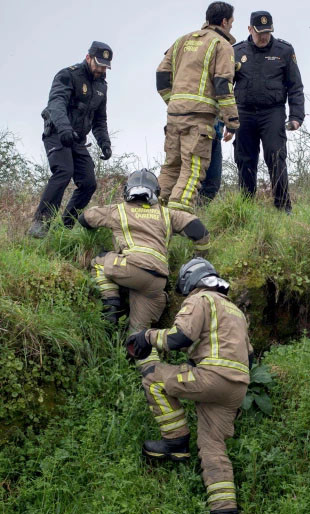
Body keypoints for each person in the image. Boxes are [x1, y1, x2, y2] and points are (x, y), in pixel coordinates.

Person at [126, 258, 253, 514]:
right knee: (212, 446)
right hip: (236, 387)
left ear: (191, 280)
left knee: (153, 378)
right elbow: (248, 358)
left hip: (211, 378)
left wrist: (146, 337)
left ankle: (175, 442)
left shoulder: (201, 299)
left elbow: (178, 338)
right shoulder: (236, 312)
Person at [78, 169, 210, 337]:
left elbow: (85, 219)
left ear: (128, 190)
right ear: (156, 192)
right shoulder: (167, 213)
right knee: (138, 339)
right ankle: (142, 360)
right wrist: (200, 258)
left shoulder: (117, 210)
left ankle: (110, 308)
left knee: (99, 262)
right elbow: (200, 231)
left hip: (130, 268)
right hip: (157, 282)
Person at [156, 2, 240, 213]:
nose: (231, 26)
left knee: (171, 168)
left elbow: (161, 76)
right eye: (231, 22)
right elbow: (223, 85)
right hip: (199, 120)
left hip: (174, 116)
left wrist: (173, 101)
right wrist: (232, 121)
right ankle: (178, 220)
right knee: (192, 171)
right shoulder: (222, 45)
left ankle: (151, 215)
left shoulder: (181, 41)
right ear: (224, 21)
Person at [28, 42, 114, 238]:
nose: (101, 69)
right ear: (88, 58)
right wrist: (64, 129)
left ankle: (64, 228)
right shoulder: (68, 75)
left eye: (105, 66)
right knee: (64, 171)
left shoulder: (102, 86)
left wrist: (105, 143)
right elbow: (56, 103)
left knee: (89, 182)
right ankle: (40, 225)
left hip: (77, 139)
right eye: (99, 64)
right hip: (57, 133)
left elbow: (100, 119)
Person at [232, 11, 304, 212]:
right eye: (259, 32)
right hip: (244, 113)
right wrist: (227, 120)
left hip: (272, 113)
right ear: (249, 30)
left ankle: (283, 208)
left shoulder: (284, 50)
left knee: (276, 156)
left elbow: (295, 86)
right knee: (245, 160)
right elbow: (226, 87)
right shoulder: (236, 52)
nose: (264, 37)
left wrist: (296, 116)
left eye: (267, 32)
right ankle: (246, 209)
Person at [198, 120, 224, 203]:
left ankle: (199, 211)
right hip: (198, 135)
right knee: (193, 180)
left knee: (213, 184)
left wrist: (231, 127)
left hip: (216, 135)